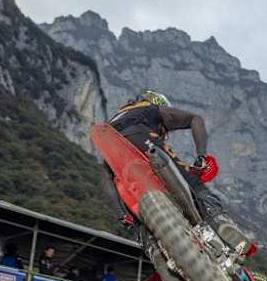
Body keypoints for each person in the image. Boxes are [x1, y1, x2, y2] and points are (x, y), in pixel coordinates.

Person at [106, 90, 251, 259]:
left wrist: (121, 214)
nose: (165, 135)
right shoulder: (150, 108)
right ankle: (219, 219)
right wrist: (202, 156)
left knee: (136, 209)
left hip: (114, 150)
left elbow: (106, 178)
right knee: (192, 183)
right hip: (140, 136)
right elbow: (195, 119)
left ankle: (152, 247)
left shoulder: (112, 122)